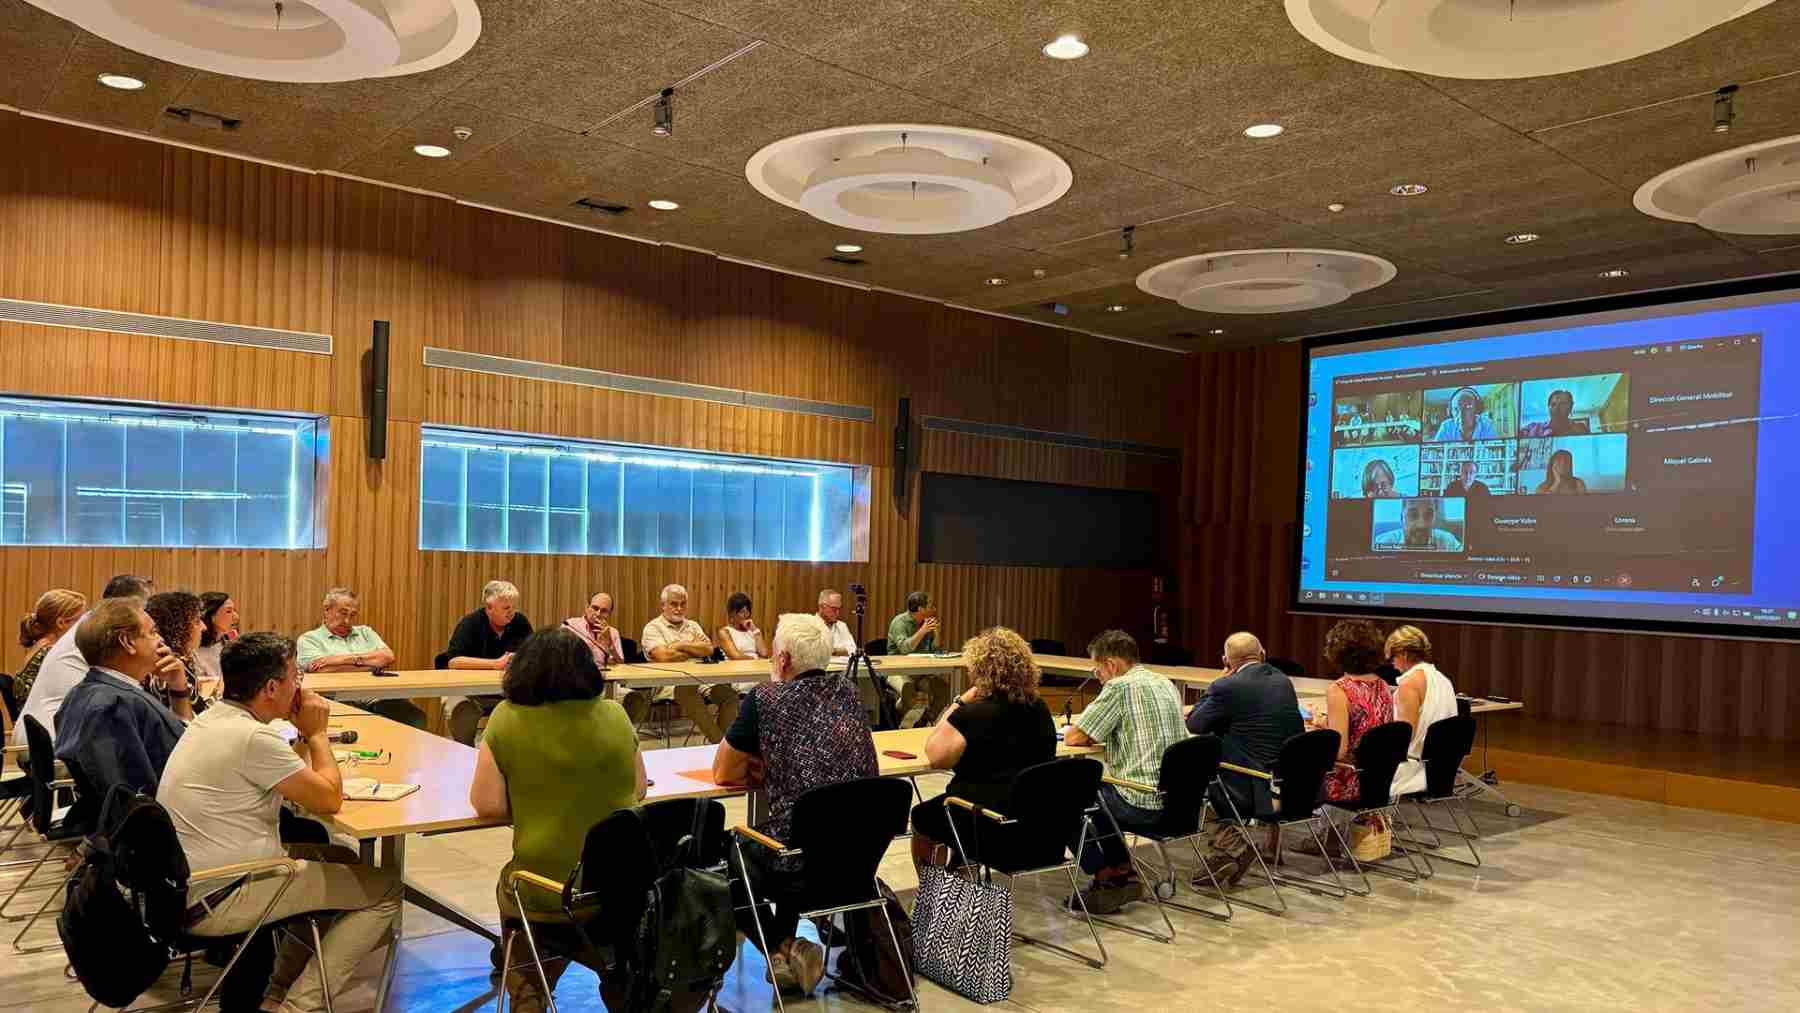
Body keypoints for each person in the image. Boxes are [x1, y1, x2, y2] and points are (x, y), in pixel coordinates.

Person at [161, 633, 401, 1013]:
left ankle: (277, 992)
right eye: (295, 676)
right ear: (272, 687)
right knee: (385, 889)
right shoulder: (252, 736)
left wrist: (304, 737)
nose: (300, 685)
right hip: (224, 892)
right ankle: (298, 1007)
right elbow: (328, 797)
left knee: (338, 855)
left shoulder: (217, 718)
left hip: (194, 882)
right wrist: (317, 734)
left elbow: (293, 781)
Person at [470, 628, 645, 1013]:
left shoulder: (506, 718)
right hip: (617, 888)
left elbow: (487, 805)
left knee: (511, 881)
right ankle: (619, 984)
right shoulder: (616, 715)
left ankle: (528, 988)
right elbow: (639, 789)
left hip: (546, 891)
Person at [713, 613, 873, 996]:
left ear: (782, 659)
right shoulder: (850, 692)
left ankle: (781, 947)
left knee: (729, 853)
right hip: (856, 861)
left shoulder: (767, 698)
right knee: (795, 833)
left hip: (801, 865)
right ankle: (787, 954)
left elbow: (722, 771)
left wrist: (763, 762)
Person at [909, 627, 1055, 875]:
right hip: (1032, 825)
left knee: (922, 817)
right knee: (959, 809)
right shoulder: (1039, 708)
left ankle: (933, 892)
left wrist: (960, 701)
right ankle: (963, 869)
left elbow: (936, 756)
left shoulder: (973, 714)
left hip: (983, 822)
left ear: (980, 669)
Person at [1063, 630, 1187, 915]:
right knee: (1098, 793)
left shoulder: (1119, 687)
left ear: (1111, 665)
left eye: (1097, 670)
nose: (1098, 677)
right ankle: (1122, 870)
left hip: (1141, 803)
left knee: (1068, 796)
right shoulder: (1165, 682)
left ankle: (1104, 875)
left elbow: (1076, 737)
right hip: (1175, 801)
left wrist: (1073, 729)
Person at [51, 599, 191, 832]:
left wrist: (178, 689)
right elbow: (135, 796)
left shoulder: (90, 692)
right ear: (127, 642)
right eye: (153, 632)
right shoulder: (112, 706)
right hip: (171, 826)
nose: (161, 641)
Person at [1184, 632, 1304, 885]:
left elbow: (1195, 724)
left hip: (1248, 786)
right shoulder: (1282, 680)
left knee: (1194, 775)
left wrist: (1216, 684)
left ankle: (1232, 848)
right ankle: (1226, 853)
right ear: (1262, 654)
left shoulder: (1225, 685)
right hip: (1288, 783)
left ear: (1226, 661)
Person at [14, 574, 156, 746]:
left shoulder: (92, 624)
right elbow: (131, 696)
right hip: (54, 743)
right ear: (128, 606)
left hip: (41, 738)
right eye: (146, 608)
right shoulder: (104, 633)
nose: (148, 616)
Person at [1310, 620, 1397, 853]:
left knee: (1290, 767)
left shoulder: (1340, 689)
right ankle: (1328, 836)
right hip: (1379, 780)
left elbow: (1338, 751)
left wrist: (1320, 729)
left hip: (1349, 783)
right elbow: (1369, 731)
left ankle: (1274, 846)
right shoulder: (1384, 687)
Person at [297, 588, 425, 729]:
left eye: (353, 615)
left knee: (414, 717)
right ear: (327, 609)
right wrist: (370, 662)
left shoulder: (365, 632)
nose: (347, 620)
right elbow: (322, 670)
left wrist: (339, 660)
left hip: (376, 696)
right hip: (336, 699)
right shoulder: (309, 639)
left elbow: (387, 657)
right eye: (343, 613)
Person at [641, 583, 736, 744]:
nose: (679, 608)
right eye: (674, 604)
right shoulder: (652, 628)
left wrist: (680, 645)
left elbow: (708, 649)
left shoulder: (693, 625)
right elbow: (663, 656)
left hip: (701, 679)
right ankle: (720, 744)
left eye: (683, 604)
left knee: (730, 696)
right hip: (669, 683)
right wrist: (693, 647)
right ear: (663, 605)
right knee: (686, 690)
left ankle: (721, 747)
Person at [443, 581, 533, 745]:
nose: (511, 612)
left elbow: (533, 653)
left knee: (532, 705)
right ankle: (466, 753)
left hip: (506, 689)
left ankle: (498, 754)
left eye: (513, 607)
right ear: (489, 608)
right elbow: (454, 661)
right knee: (461, 710)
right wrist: (494, 664)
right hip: (468, 690)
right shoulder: (470, 623)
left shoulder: (520, 623)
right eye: (506, 608)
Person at [1387, 625, 1458, 798]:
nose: (1392, 664)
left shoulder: (1409, 684)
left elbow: (1402, 738)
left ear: (1403, 653)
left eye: (1392, 658)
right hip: (1442, 768)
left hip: (1410, 770)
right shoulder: (1443, 680)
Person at [885, 592, 952, 727]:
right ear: (921, 609)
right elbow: (904, 648)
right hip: (898, 670)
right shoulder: (900, 622)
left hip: (921, 671)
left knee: (942, 688)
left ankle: (925, 719)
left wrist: (936, 633)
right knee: (907, 689)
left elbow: (935, 650)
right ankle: (902, 723)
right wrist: (923, 631)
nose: (934, 609)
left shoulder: (926, 622)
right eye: (930, 606)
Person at [12, 589, 86, 708]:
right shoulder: (52, 652)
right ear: (61, 623)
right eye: (79, 620)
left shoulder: (41, 645)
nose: (83, 626)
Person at [145, 591, 210, 714]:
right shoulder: (171, 666)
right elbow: (198, 718)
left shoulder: (155, 661)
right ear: (177, 628)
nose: (203, 627)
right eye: (197, 621)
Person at [1374, 498, 1463, 551]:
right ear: (1402, 518)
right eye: (1413, 515)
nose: (1422, 525)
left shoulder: (1448, 541)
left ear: (1434, 518)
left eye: (1428, 515)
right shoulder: (1382, 542)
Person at [193, 592, 239, 687]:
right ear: (212, 616)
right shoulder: (194, 650)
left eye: (235, 611)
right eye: (229, 611)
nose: (236, 617)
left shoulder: (229, 644)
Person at [1432, 387, 1498, 442]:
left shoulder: (1487, 424)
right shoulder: (1446, 426)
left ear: (1477, 409)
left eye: (1468, 407)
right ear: (1450, 412)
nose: (1461, 415)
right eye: (1456, 409)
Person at [717, 592, 769, 661]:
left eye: (747, 612)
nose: (746, 615)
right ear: (732, 614)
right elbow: (735, 656)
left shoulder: (753, 631)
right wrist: (756, 659)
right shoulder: (725, 632)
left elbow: (764, 654)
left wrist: (755, 630)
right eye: (742, 612)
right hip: (737, 669)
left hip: (755, 667)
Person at [1520, 388, 1589, 438]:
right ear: (1548, 408)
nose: (1557, 408)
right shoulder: (1532, 427)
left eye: (1562, 404)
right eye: (1553, 404)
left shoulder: (1580, 429)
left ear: (1570, 407)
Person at [816, 589, 857, 657]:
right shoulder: (810, 625)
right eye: (834, 609)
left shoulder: (842, 626)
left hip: (841, 667)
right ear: (821, 607)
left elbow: (853, 650)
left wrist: (833, 651)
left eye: (839, 609)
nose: (837, 613)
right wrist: (841, 651)